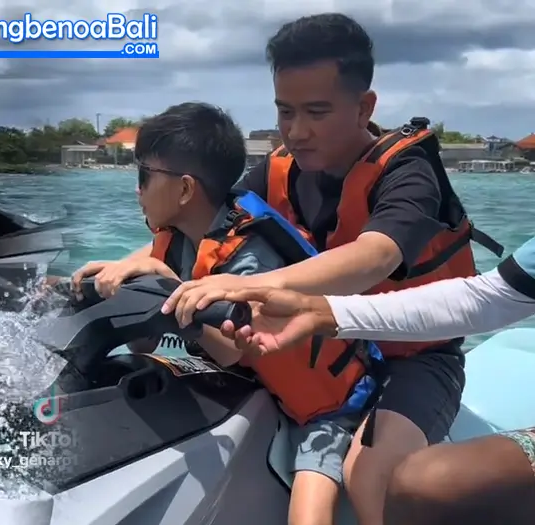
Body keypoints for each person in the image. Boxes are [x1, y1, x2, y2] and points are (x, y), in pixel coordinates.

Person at [153, 13, 503, 525]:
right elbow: (203, 216)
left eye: (317, 112)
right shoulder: (277, 171)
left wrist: (253, 283)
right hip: (331, 351)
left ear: (365, 107)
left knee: (370, 474)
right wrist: (129, 267)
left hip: (416, 361)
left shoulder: (408, 172)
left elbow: (374, 256)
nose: (297, 131)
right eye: (285, 112)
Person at [71, 101, 385, 525]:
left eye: (144, 176)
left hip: (330, 406)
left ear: (184, 190)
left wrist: (169, 288)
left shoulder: (251, 259)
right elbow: (151, 336)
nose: (137, 190)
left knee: (308, 513)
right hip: (258, 386)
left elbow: (232, 350)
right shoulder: (179, 238)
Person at [198, 237, 535, 525]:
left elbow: (381, 253)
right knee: (425, 481)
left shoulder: (409, 177)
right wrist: (322, 313)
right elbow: (486, 297)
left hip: (420, 369)